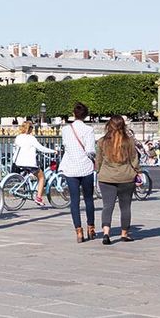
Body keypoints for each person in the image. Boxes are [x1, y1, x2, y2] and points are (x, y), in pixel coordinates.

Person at [96, 115, 141, 245]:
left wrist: (99, 171)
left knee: (107, 206)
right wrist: (137, 171)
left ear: (108, 126)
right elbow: (134, 159)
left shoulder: (102, 141)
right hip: (126, 177)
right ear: (123, 125)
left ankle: (106, 233)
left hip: (107, 177)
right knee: (125, 207)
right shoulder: (129, 141)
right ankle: (124, 233)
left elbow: (98, 160)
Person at [60, 102, 97, 243]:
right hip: (85, 167)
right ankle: (91, 229)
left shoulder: (65, 129)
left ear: (73, 114)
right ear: (86, 115)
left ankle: (79, 232)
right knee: (88, 199)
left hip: (71, 168)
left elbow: (66, 146)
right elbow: (90, 150)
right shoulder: (89, 130)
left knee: (74, 201)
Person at [12, 120, 57, 206]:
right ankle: (39, 198)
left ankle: (29, 188)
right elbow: (41, 148)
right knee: (42, 177)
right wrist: (53, 151)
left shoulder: (18, 137)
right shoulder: (31, 138)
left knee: (31, 174)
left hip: (18, 162)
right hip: (29, 163)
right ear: (30, 129)